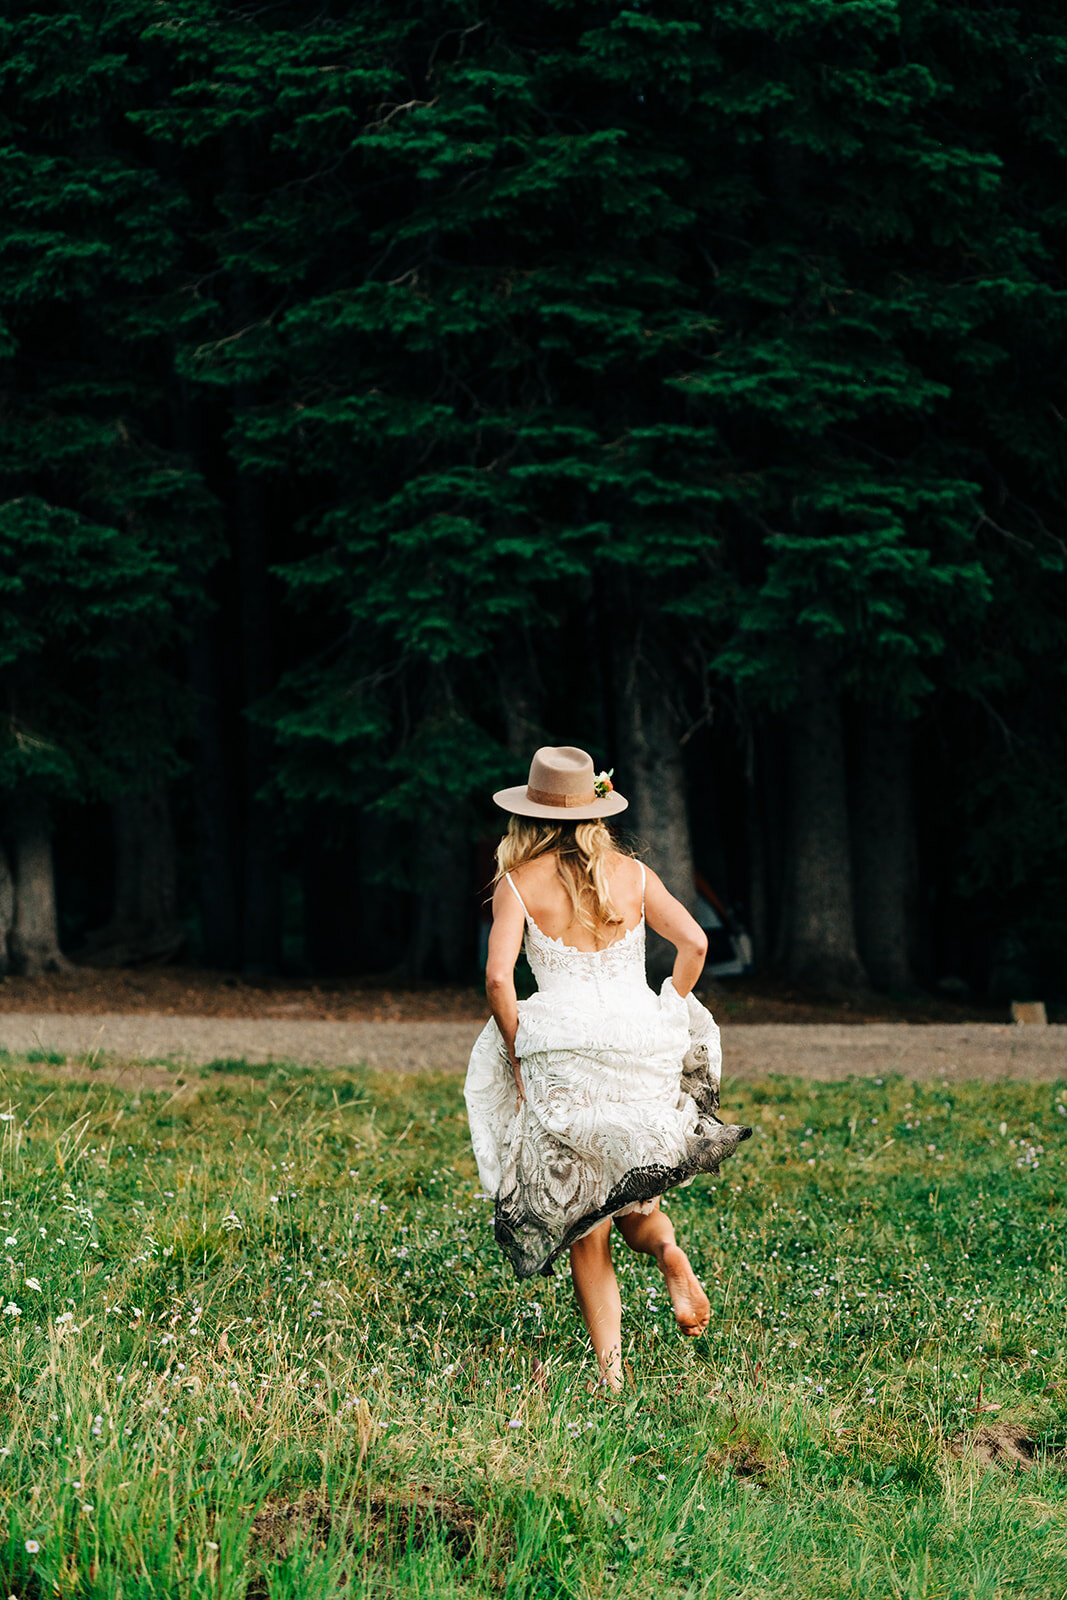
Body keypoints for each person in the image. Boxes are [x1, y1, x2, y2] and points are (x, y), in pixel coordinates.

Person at [464, 745, 752, 1394]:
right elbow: (696, 944)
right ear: (594, 808)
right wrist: (670, 1006)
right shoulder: (634, 874)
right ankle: (668, 1254)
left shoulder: (518, 881)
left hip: (564, 1052)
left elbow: (495, 978)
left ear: (530, 815)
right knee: (633, 1188)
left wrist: (515, 1049)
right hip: (635, 1044)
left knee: (584, 1219)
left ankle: (610, 1376)